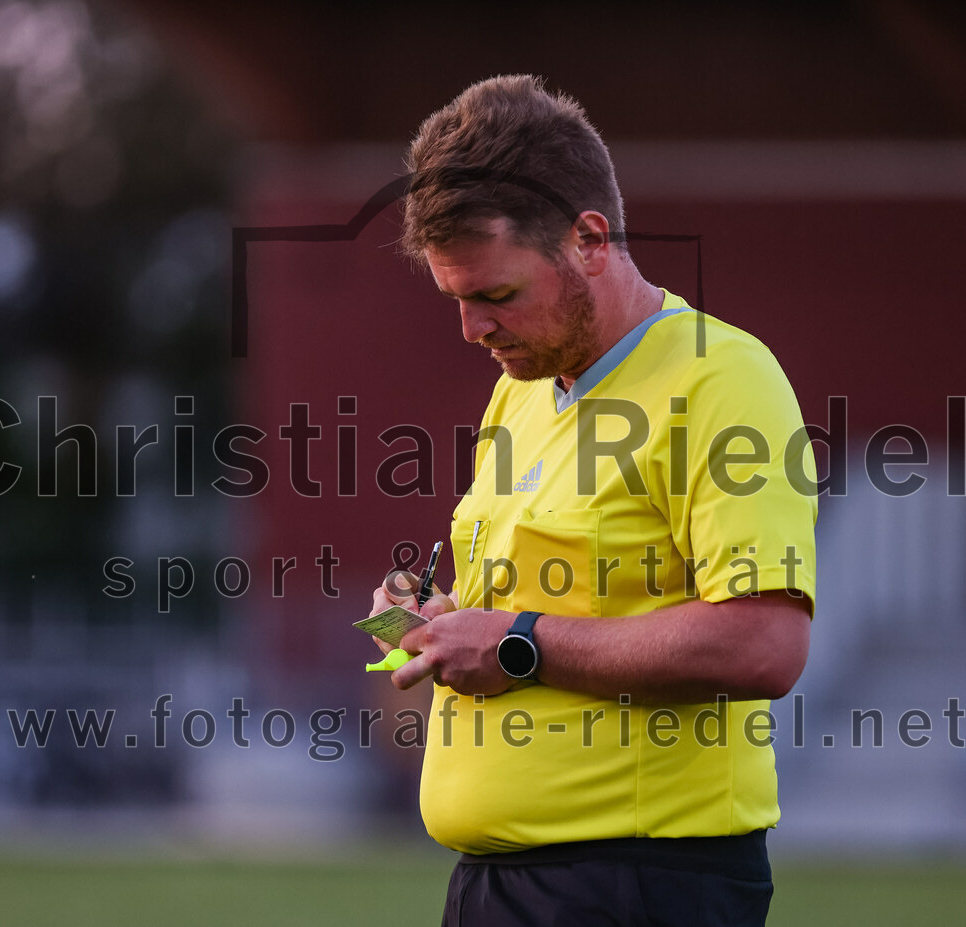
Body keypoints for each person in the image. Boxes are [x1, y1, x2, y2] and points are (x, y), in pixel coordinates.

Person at [368, 74, 817, 927]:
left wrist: (518, 644)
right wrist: (432, 620)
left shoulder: (723, 379)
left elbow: (766, 642)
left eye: (496, 295)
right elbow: (524, 616)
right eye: (456, 300)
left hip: (639, 883)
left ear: (589, 240)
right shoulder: (523, 388)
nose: (472, 329)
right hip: (495, 882)